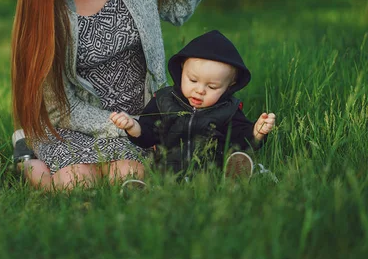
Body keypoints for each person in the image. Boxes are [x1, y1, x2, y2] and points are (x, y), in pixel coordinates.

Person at [11, 0, 207, 191]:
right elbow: (57, 108)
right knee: (74, 184)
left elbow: (177, 10)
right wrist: (119, 125)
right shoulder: (44, 11)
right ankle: (26, 156)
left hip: (143, 117)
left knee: (127, 176)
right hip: (75, 122)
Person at [110, 30, 276, 177]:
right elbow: (147, 135)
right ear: (182, 70)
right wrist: (132, 126)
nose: (200, 90)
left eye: (212, 87)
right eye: (193, 80)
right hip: (169, 169)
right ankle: (145, 189)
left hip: (210, 170)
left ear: (230, 85)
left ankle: (232, 176)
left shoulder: (228, 110)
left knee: (225, 163)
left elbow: (241, 139)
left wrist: (256, 132)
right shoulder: (164, 100)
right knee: (156, 173)